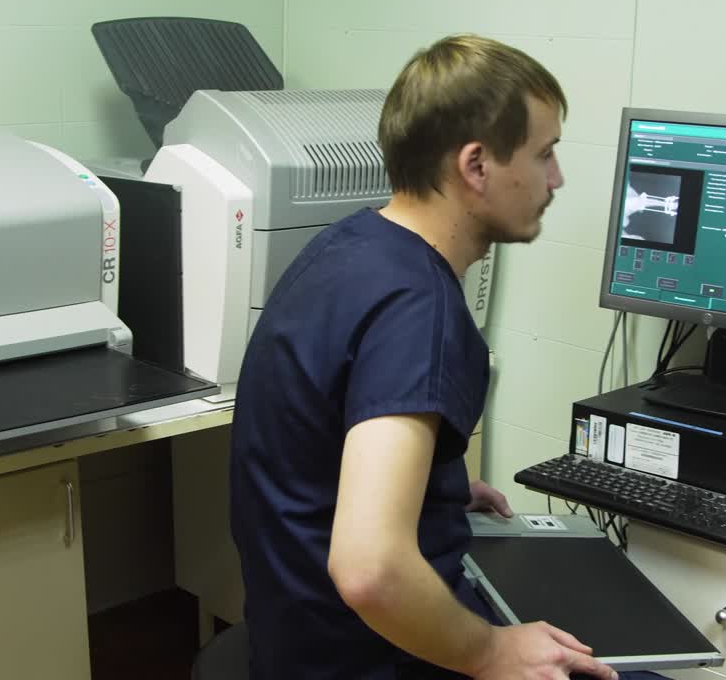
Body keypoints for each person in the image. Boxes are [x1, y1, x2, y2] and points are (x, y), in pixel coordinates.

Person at [229, 33, 616, 680]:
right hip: (369, 662)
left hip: (290, 643)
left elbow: (318, 450)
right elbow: (370, 569)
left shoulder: (347, 246)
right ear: (476, 165)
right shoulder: (420, 310)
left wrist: (434, 488)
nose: (556, 178)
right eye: (544, 154)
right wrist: (490, 653)